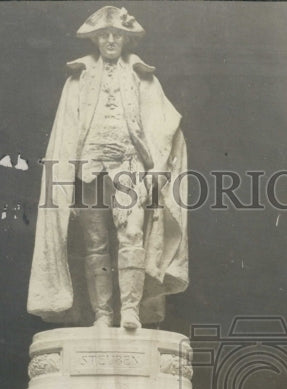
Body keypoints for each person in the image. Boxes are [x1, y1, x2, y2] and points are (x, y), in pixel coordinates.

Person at [27, 5, 188, 331]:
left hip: (129, 168)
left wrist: (155, 168)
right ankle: (102, 314)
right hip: (88, 169)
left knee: (132, 236)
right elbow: (66, 132)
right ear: (96, 39)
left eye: (117, 35)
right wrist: (64, 180)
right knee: (95, 242)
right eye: (104, 35)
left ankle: (130, 310)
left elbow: (162, 127)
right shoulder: (78, 80)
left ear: (127, 39)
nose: (111, 40)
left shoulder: (144, 78)